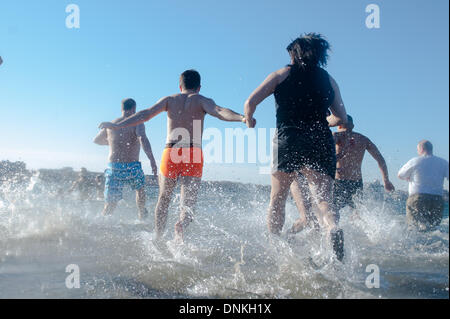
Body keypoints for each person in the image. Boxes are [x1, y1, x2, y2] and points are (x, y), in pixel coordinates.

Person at [99, 70, 251, 242]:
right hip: (192, 153)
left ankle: (157, 237)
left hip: (170, 152)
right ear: (199, 87)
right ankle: (181, 225)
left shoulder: (169, 100)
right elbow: (220, 111)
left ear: (180, 86)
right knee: (188, 205)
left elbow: (145, 114)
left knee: (163, 199)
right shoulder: (202, 100)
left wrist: (117, 125)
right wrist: (242, 118)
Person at [244, 33, 348, 261]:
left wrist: (250, 120)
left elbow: (250, 102)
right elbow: (341, 118)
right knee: (323, 199)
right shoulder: (329, 80)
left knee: (277, 198)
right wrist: (323, 119)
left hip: (288, 138)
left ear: (294, 54)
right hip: (320, 139)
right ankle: (333, 229)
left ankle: (275, 244)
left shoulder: (281, 74)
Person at [93, 98, 158, 220]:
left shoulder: (111, 124)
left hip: (114, 166)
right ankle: (141, 213)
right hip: (132, 165)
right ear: (134, 109)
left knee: (110, 204)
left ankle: (102, 223)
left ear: (122, 108)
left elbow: (96, 140)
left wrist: (112, 143)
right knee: (139, 189)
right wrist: (152, 160)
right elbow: (142, 139)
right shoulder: (137, 122)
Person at [333, 115, 395, 217]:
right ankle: (361, 233)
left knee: (333, 211)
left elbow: (327, 159)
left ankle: (333, 231)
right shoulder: (363, 139)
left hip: (339, 181)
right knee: (357, 213)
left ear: (338, 125)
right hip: (357, 183)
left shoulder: (336, 136)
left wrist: (343, 152)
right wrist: (386, 180)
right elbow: (380, 159)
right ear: (352, 125)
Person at [398, 140, 449, 231]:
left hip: (418, 198)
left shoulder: (415, 161)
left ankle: (417, 244)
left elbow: (400, 175)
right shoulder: (443, 162)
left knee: (414, 227)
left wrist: (408, 178)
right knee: (433, 229)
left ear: (421, 149)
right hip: (437, 199)